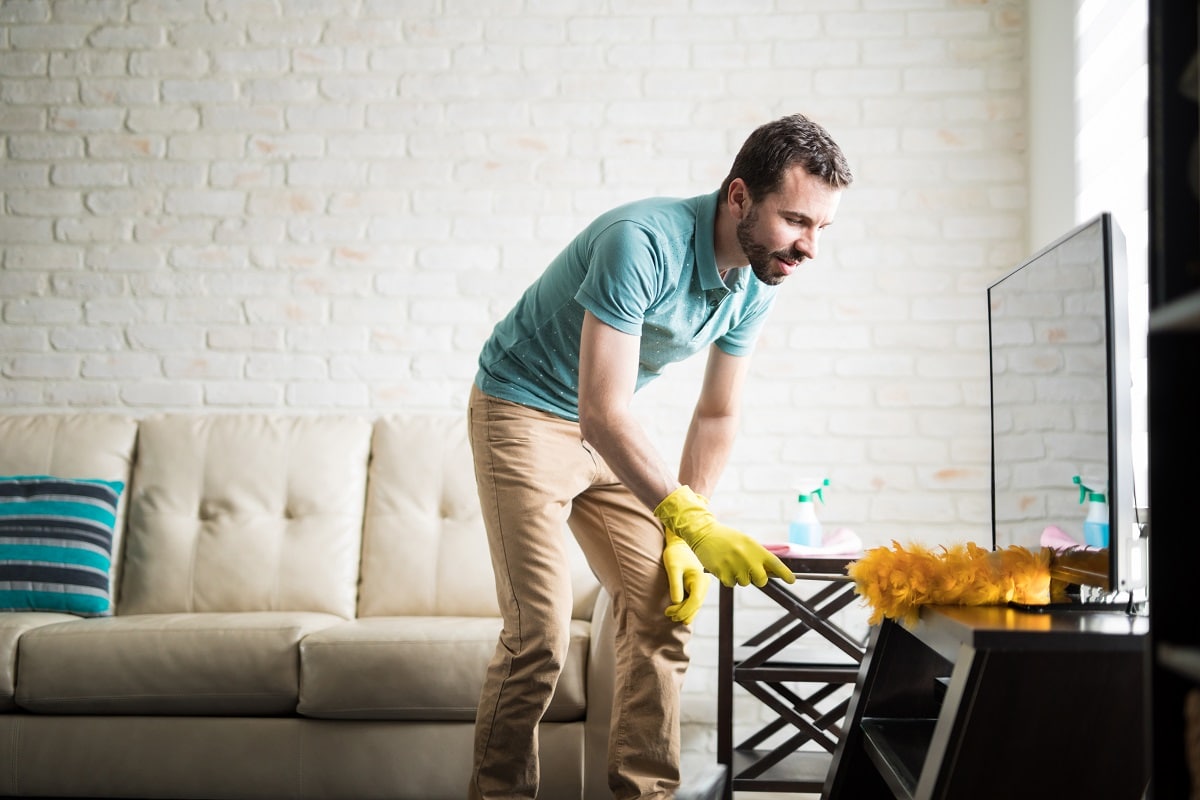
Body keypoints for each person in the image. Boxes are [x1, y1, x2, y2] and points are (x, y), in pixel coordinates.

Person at [467, 113, 853, 800]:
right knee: (539, 639)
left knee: (662, 606)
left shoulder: (757, 283)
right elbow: (603, 411)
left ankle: (646, 794)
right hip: (522, 411)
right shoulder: (638, 242)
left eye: (822, 228)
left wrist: (682, 523)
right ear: (739, 197)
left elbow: (717, 412)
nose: (810, 246)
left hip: (601, 430)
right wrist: (694, 525)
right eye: (796, 220)